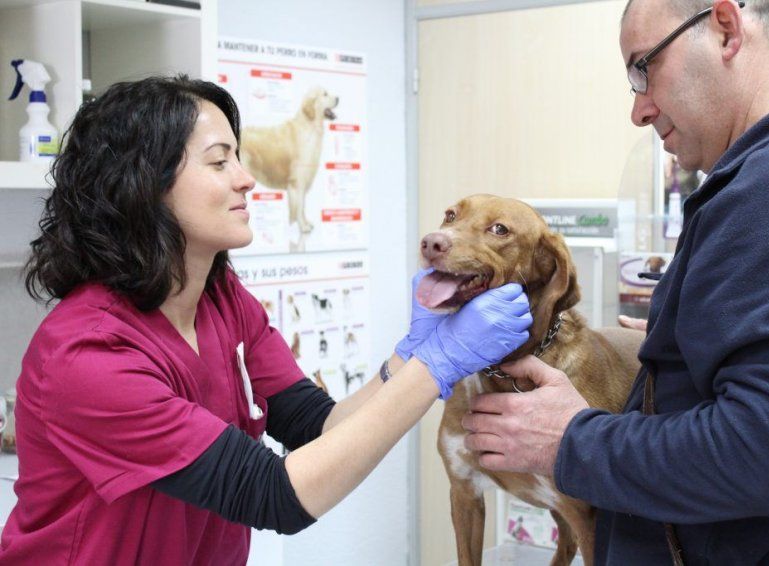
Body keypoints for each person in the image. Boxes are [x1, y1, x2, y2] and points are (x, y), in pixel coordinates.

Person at [0, 76, 533, 565]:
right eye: (219, 162)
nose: (247, 179)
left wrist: (408, 356)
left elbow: (317, 426)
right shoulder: (89, 354)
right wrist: (436, 366)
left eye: (238, 157)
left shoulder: (222, 301)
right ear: (143, 184)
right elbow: (274, 495)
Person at [462, 0, 769, 563]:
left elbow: (768, 455)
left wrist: (571, 440)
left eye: (644, 68)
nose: (639, 111)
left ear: (725, 29)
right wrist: (686, 356)